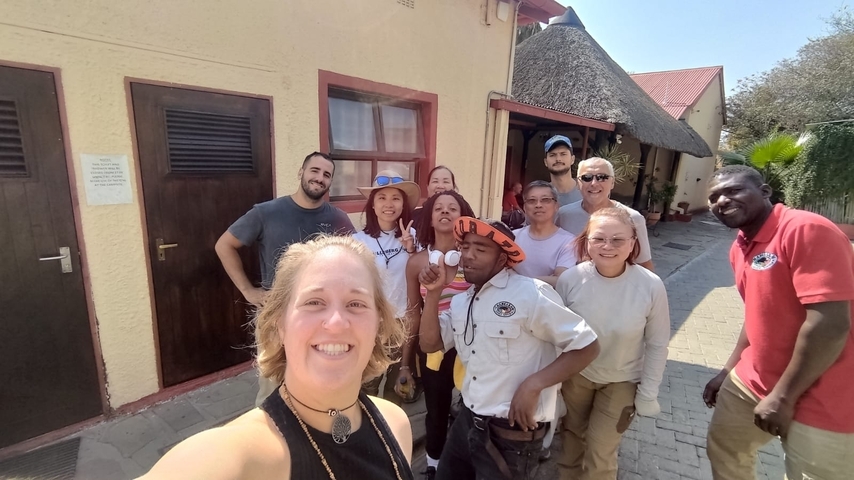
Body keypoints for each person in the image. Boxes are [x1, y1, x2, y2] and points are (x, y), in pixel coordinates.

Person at [140, 236, 413, 480]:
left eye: (356, 304)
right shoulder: (244, 454)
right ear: (280, 325)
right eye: (314, 302)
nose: (337, 322)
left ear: (379, 323)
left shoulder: (395, 423)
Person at [419, 217, 600, 480]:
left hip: (511, 434)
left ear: (503, 260)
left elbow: (587, 346)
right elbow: (430, 344)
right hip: (467, 420)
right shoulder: (461, 302)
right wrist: (433, 294)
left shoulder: (531, 294)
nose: (468, 256)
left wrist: (533, 384)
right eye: (465, 247)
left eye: (480, 250)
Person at [702, 165, 854, 480]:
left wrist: (783, 397)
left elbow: (831, 324)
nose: (722, 200)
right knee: (726, 450)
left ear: (766, 191)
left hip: (825, 394)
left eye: (733, 190)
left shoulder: (805, 229)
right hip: (753, 381)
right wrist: (728, 370)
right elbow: (755, 314)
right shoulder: (740, 247)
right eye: (714, 197)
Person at [215, 151, 355, 405]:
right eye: (314, 171)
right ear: (301, 173)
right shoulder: (266, 213)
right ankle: (270, 436)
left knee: (317, 380)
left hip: (321, 317)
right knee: (272, 387)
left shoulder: (338, 219)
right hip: (276, 315)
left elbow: (354, 261)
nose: (319, 178)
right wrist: (248, 290)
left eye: (326, 175)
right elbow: (224, 245)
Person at [554, 208, 669, 480]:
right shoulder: (570, 280)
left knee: (601, 451)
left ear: (632, 244)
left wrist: (648, 393)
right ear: (586, 242)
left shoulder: (651, 286)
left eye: (618, 240)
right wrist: (554, 384)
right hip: (577, 377)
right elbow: (556, 336)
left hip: (621, 381)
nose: (607, 246)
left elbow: (657, 344)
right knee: (570, 443)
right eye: (599, 239)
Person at [398, 190, 475, 479]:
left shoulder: (472, 258)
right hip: (433, 346)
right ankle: (433, 465)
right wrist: (406, 363)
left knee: (472, 407)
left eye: (452, 207)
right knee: (436, 409)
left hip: (471, 344)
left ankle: (468, 461)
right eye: (438, 208)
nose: (445, 211)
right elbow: (412, 313)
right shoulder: (417, 262)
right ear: (429, 217)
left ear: (463, 215)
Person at [556, 157, 654, 271]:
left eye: (602, 177)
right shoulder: (564, 215)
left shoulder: (632, 218)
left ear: (612, 182)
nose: (594, 183)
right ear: (578, 183)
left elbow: (644, 265)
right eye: (586, 178)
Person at [352, 170, 420, 319]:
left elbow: (422, 279)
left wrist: (411, 250)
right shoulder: (357, 242)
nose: (389, 204)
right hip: (372, 320)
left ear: (403, 205)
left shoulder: (413, 236)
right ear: (373, 205)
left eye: (396, 198)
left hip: (406, 320)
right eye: (382, 198)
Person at [513, 180, 577, 287]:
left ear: (556, 206)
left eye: (545, 200)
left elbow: (561, 280)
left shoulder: (568, 241)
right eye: (532, 200)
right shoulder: (513, 237)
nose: (538, 205)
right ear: (524, 207)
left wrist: (519, 281)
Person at [544, 135, 582, 206]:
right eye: (552, 155)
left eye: (563, 154)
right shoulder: (540, 196)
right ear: (546, 162)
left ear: (572, 159)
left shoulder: (586, 191)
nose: (558, 159)